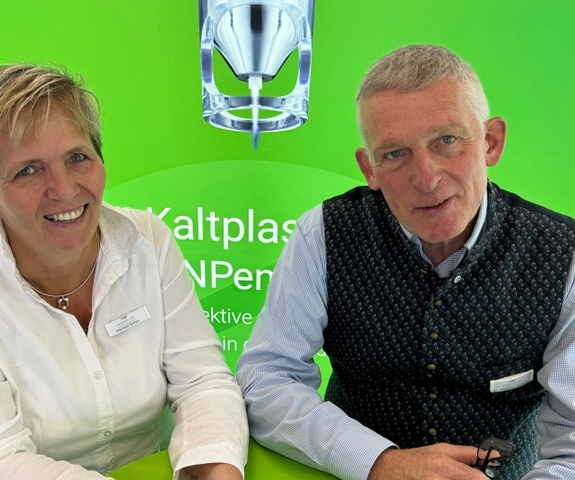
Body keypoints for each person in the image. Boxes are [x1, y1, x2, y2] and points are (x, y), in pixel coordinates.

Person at [236, 44, 575, 480]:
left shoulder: (562, 254)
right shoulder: (322, 234)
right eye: (395, 153)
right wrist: (378, 461)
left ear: (491, 142)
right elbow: (267, 378)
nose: (426, 179)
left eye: (447, 140)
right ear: (369, 168)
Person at [0, 64, 248, 480]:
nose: (64, 189)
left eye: (77, 157)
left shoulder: (147, 239)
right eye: (28, 170)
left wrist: (217, 470)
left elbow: (202, 382)